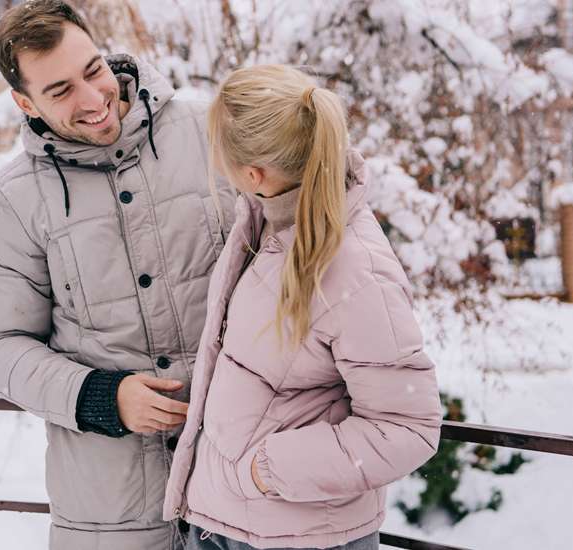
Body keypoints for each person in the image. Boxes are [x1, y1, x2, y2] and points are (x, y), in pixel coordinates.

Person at [0, 1, 234, 548]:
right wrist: (99, 397)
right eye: (60, 90)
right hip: (112, 513)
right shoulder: (14, 203)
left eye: (93, 71)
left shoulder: (217, 134)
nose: (94, 101)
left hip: (239, 482)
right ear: (25, 102)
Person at [163, 64, 443, 550]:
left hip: (301, 536)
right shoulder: (262, 224)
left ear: (253, 173)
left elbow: (407, 428)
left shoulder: (357, 270)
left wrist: (264, 471)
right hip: (224, 523)